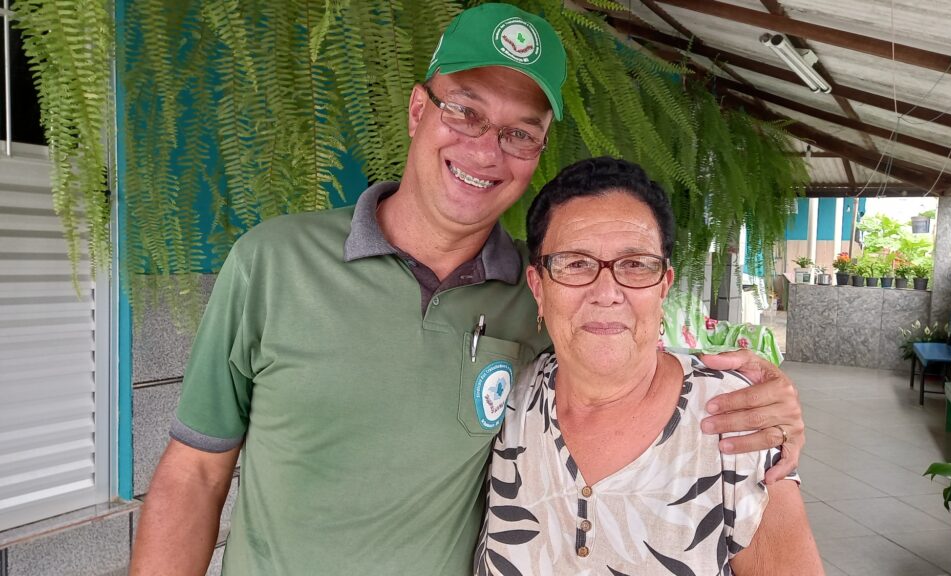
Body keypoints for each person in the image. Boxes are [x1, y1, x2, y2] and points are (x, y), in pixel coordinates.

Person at [130, 5, 806, 575]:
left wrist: (771, 406)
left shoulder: (541, 296)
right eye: (466, 112)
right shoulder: (272, 263)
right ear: (418, 110)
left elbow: (625, 364)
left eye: (520, 133)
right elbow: (192, 475)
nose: (487, 151)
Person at [477, 157, 822, 575]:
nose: (606, 292)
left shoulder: (736, 416)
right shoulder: (504, 405)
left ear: (664, 286)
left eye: (635, 265)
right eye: (575, 263)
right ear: (539, 286)